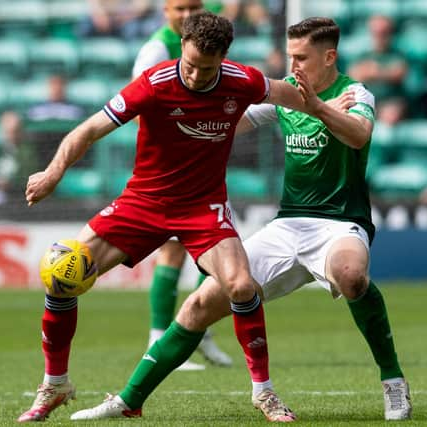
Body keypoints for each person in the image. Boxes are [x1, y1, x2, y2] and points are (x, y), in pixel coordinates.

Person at [71, 17, 412, 422]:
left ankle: (393, 381)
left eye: (301, 57)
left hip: (340, 222)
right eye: (290, 57)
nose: (294, 65)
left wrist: (318, 108)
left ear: (329, 56)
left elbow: (358, 135)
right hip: (289, 224)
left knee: (351, 274)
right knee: (200, 304)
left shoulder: (356, 93)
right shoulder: (286, 96)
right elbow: (228, 122)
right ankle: (128, 400)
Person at [17, 11, 320, 423]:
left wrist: (327, 105)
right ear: (182, 47)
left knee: (241, 286)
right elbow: (88, 129)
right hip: (144, 202)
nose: (195, 76)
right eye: (190, 64)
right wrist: (53, 172)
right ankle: (55, 384)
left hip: (203, 207)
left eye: (206, 68)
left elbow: (293, 97)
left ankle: (263, 393)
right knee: (61, 274)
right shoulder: (155, 83)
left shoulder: (243, 81)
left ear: (224, 59)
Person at [132, 0, 232, 370]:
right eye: (179, 7)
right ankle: (160, 336)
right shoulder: (156, 50)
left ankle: (198, 328)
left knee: (216, 249)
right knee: (174, 249)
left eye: (194, 6)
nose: (187, 14)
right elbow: (141, 104)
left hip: (203, 159)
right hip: (172, 166)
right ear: (166, 13)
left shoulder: (206, 44)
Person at [347, 15, 408, 126]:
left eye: (384, 33)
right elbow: (353, 76)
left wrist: (373, 71)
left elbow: (399, 73)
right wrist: (385, 72)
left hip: (390, 101)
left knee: (391, 115)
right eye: (376, 33)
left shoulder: (398, 53)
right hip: (366, 101)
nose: (380, 36)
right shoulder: (363, 54)